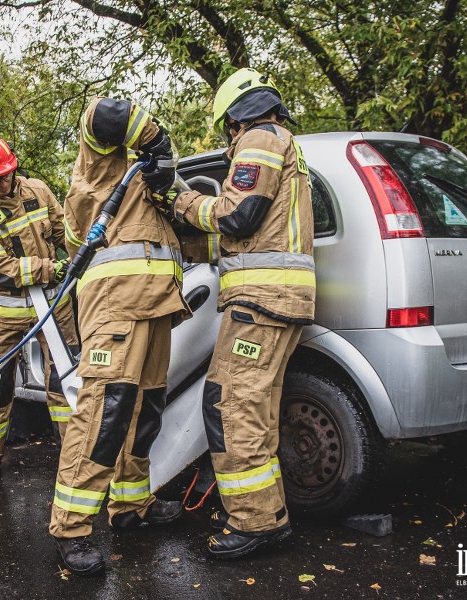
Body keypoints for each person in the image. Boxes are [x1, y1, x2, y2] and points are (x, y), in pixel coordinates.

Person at [167, 68, 316, 559]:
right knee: (253, 407)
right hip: (275, 302)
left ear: (234, 118)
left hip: (261, 301)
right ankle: (265, 512)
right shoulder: (284, 142)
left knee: (229, 405)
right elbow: (250, 228)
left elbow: (237, 215)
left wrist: (181, 200)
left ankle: (254, 523)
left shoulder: (259, 138)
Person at [48, 98, 190, 576]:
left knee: (144, 412)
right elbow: (103, 112)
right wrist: (159, 144)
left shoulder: (143, 181)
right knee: (102, 413)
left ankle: (129, 508)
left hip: (156, 303)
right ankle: (71, 527)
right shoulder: (100, 165)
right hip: (115, 303)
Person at [0, 133, 80, 486]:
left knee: (65, 378)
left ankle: (72, 455)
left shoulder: (38, 191)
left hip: (54, 306)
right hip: (4, 313)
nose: (3, 181)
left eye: (6, 173)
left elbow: (64, 233)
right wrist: (50, 268)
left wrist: (79, 256)